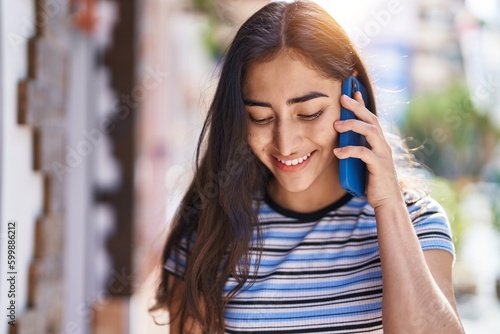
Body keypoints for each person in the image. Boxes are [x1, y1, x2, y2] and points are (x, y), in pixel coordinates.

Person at [150, 1, 464, 333]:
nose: (285, 144)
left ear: (352, 92)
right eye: (261, 117)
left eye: (310, 112)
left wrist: (388, 205)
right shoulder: (208, 229)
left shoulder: (417, 222)